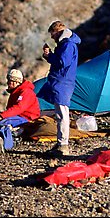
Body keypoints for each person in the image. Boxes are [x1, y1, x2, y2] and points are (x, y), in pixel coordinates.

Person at [36, 20, 81, 156]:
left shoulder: (67, 44)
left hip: (63, 82)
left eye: (52, 33)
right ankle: (61, 143)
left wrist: (50, 55)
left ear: (57, 31)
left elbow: (62, 62)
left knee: (62, 114)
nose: (52, 37)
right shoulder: (67, 44)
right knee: (60, 113)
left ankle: (63, 145)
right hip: (62, 82)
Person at [0, 69, 41, 151]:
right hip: (17, 116)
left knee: (4, 123)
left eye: (9, 81)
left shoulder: (26, 92)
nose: (8, 83)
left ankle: (5, 145)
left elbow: (19, 108)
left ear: (16, 82)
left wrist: (2, 115)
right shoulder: (15, 92)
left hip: (26, 118)